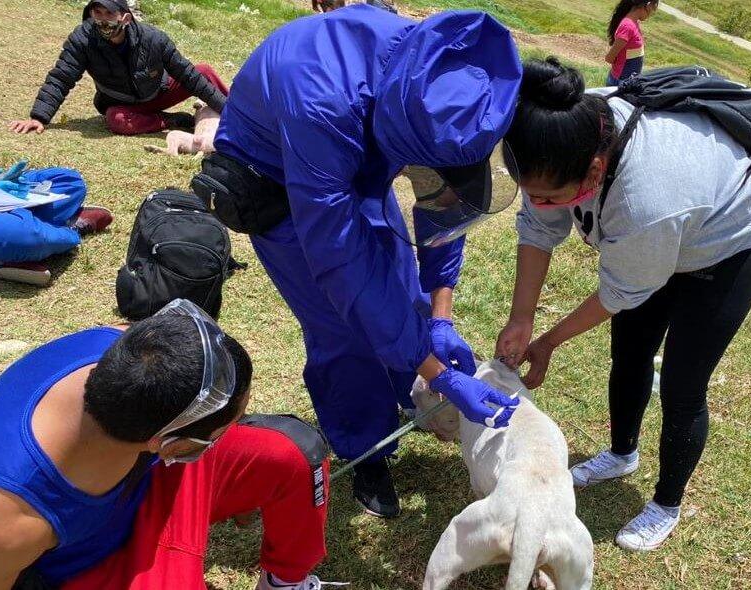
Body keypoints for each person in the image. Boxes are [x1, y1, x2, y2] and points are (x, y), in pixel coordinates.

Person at [211, 5, 522, 518]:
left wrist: (438, 319)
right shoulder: (322, 103)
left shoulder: (432, 68)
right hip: (277, 181)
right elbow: (342, 265)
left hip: (351, 152)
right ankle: (368, 445)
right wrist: (441, 375)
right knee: (343, 325)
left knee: (399, 284)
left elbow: (442, 206)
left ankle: (408, 388)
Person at [495, 57, 751, 551]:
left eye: (548, 196)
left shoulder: (650, 197)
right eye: (530, 193)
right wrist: (521, 317)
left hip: (725, 239)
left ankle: (666, 503)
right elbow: (538, 228)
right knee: (628, 352)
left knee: (683, 382)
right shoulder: (559, 130)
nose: (537, 203)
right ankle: (621, 452)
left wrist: (547, 340)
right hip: (665, 228)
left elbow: (621, 291)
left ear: (595, 169)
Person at [0, 299, 331, 590]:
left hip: (142, 476)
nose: (239, 427)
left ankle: (285, 580)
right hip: (87, 560)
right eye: (229, 423)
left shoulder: (131, 349)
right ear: (175, 447)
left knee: (295, 453)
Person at [9, 0, 228, 137]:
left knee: (203, 71)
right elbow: (61, 77)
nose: (103, 20)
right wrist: (39, 117)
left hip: (157, 91)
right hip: (123, 105)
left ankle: (235, 114)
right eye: (98, 13)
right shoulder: (82, 39)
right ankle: (172, 120)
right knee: (116, 119)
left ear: (126, 18)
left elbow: (188, 75)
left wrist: (227, 110)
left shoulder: (154, 39)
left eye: (109, 14)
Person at [0, 98, 111, 286]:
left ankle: (9, 227)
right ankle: (62, 230)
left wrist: (0, 179)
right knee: (30, 236)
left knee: (69, 182)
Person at [605, 0, 657, 86]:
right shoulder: (627, 26)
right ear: (647, 6)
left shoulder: (634, 23)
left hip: (627, 80)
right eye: (652, 10)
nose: (650, 15)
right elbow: (609, 58)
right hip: (620, 82)